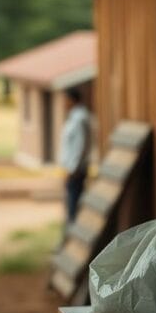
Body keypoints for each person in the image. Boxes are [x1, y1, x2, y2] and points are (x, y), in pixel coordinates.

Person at [59, 88, 91, 227]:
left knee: (74, 203)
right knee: (71, 202)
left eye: (65, 100)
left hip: (76, 170)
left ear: (72, 100)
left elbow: (80, 146)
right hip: (71, 169)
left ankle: (73, 230)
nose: (63, 103)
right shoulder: (74, 117)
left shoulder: (80, 119)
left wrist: (74, 169)